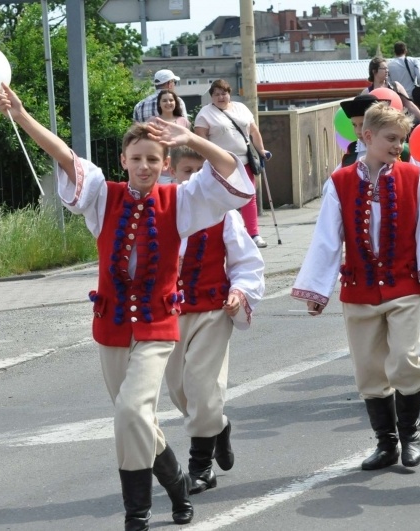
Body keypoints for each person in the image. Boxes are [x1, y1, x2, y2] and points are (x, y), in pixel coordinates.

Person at [0, 83, 254, 530]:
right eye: (137, 158)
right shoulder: (102, 196)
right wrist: (21, 115)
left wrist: (189, 139)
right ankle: (176, 482)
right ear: (123, 161)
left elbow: (231, 170)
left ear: (165, 164)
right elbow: (64, 156)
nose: (145, 166)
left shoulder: (180, 201)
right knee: (133, 418)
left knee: (132, 412)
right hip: (111, 326)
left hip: (157, 325)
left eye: (153, 159)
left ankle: (137, 513)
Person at [292, 103, 420, 472]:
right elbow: (327, 238)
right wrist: (317, 291)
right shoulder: (340, 182)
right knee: (369, 369)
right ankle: (386, 443)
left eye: (402, 139)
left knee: (405, 359)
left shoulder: (412, 176)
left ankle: (410, 435)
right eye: (391, 138)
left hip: (404, 286)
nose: (398, 145)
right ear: (367, 136)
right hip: (360, 289)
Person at [163, 145, 265, 495]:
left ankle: (201, 467)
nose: (194, 178)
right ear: (172, 170)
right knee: (178, 388)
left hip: (212, 310)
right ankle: (218, 426)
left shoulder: (224, 213)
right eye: (186, 171)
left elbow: (245, 261)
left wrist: (239, 292)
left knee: (202, 385)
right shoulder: (161, 209)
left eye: (199, 171)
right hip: (170, 314)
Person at [194, 79, 270, 248]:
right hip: (221, 163)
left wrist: (261, 150)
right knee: (224, 198)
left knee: (249, 196)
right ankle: (228, 233)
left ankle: (254, 234)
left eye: (224, 93)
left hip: (245, 160)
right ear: (211, 96)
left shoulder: (241, 108)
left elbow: (253, 131)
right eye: (217, 94)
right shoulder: (205, 114)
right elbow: (201, 138)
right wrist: (208, 158)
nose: (221, 97)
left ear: (229, 94)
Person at [361, 57, 420, 125]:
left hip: (397, 125)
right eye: (384, 68)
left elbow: (410, 105)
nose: (387, 71)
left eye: (387, 68)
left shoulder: (396, 86)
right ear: (374, 71)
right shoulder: (367, 92)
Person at [157, 90, 191, 184]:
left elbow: (189, 144)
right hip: (162, 171)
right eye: (164, 100)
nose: (168, 103)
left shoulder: (183, 121)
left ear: (175, 102)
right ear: (159, 103)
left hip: (180, 168)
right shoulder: (153, 121)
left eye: (171, 100)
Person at [387, 42, 420, 112]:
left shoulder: (389, 65)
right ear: (405, 50)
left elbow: (389, 83)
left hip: (398, 98)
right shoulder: (413, 61)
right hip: (413, 97)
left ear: (394, 52)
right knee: (416, 117)